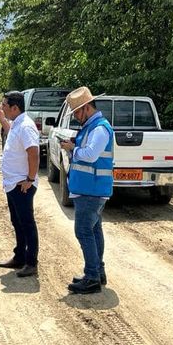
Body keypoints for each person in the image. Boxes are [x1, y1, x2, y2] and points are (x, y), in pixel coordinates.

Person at [59, 86, 113, 294]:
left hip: (91, 190)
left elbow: (90, 155)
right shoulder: (92, 127)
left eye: (76, 113)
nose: (75, 117)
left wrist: (73, 148)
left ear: (87, 108)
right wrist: (75, 144)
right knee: (94, 231)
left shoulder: (99, 128)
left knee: (83, 231)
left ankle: (92, 277)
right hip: (91, 189)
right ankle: (97, 272)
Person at [0, 91, 40, 278]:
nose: (2, 107)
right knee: (17, 222)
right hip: (13, 183)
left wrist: (30, 179)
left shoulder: (26, 126)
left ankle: (31, 262)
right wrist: (1, 118)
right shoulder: (17, 124)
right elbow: (10, 131)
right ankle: (19, 256)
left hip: (22, 184)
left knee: (27, 223)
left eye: (4, 105)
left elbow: (33, 153)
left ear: (14, 107)